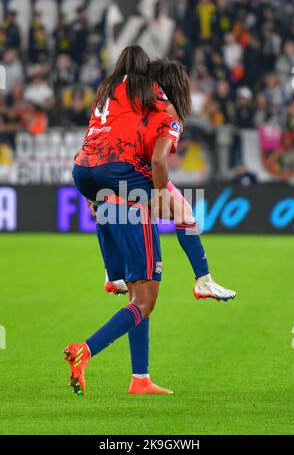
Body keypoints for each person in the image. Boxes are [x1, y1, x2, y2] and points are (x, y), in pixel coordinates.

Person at [65, 46, 175, 396]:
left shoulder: (105, 89)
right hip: (123, 180)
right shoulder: (148, 90)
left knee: (136, 289)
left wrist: (93, 197)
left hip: (86, 170)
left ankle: (140, 379)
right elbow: (159, 153)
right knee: (146, 299)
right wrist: (160, 199)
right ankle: (86, 350)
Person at [102, 59, 236, 302]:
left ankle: (113, 274)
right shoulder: (167, 110)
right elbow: (157, 159)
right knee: (181, 213)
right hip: (135, 172)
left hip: (107, 168)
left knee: (116, 216)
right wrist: (161, 192)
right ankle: (203, 280)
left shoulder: (132, 102)